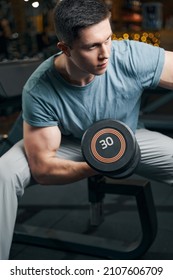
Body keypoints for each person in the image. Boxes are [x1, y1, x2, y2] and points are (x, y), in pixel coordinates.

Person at [0, 0, 173, 260]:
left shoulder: (130, 56)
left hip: (128, 136)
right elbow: (44, 169)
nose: (105, 54)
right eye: (92, 46)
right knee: (5, 171)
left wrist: (117, 154)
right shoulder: (39, 89)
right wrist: (103, 163)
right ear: (65, 49)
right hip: (67, 142)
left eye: (108, 40)